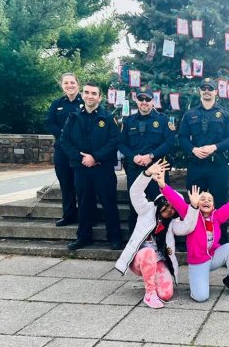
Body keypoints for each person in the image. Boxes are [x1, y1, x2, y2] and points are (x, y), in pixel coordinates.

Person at [158, 169, 229, 302]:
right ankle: (199, 280)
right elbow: (175, 200)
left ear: (213, 205)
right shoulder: (190, 213)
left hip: (213, 257)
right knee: (201, 297)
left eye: (209, 200)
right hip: (198, 262)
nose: (206, 201)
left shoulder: (218, 216)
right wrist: (162, 185)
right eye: (202, 199)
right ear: (197, 202)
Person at [115, 160, 198, 308]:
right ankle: (149, 293)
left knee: (166, 294)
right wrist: (147, 174)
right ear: (160, 202)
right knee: (148, 253)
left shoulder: (171, 224)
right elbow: (135, 192)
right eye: (167, 204)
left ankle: (152, 281)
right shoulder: (146, 210)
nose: (169, 209)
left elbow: (188, 227)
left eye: (173, 208)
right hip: (139, 259)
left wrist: (193, 207)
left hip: (158, 260)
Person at [60, 81, 122, 251]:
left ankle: (115, 238)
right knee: (85, 204)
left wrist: (95, 157)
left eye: (94, 93)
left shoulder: (108, 118)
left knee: (109, 204)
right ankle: (83, 237)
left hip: (103, 169)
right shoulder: (73, 117)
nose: (90, 96)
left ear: (99, 97)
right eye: (87, 92)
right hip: (81, 169)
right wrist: (80, 158)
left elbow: (115, 141)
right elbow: (64, 141)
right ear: (83, 95)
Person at [178, 77, 229, 244]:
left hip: (218, 166)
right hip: (196, 166)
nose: (206, 91)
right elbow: (182, 138)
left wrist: (214, 147)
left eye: (210, 88)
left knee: (219, 204)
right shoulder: (190, 114)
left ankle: (221, 240)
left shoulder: (226, 114)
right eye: (203, 88)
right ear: (200, 91)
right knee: (194, 203)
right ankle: (192, 239)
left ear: (215, 92)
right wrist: (193, 149)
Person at [119, 91, 176, 233]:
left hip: (157, 169)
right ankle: (135, 242)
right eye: (141, 98)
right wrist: (133, 157)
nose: (144, 102)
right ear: (136, 101)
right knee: (135, 205)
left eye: (147, 99)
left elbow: (170, 142)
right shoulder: (128, 121)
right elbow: (121, 144)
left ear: (153, 101)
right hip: (135, 169)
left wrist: (151, 155)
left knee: (162, 204)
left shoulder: (163, 120)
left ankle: (163, 241)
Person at [45, 73, 83, 227]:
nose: (69, 85)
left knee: (81, 184)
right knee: (65, 183)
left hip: (80, 150)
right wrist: (64, 134)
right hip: (62, 150)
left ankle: (85, 215)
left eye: (72, 82)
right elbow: (49, 123)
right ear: (62, 86)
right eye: (66, 83)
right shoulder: (57, 103)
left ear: (77, 84)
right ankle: (68, 215)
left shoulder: (84, 102)